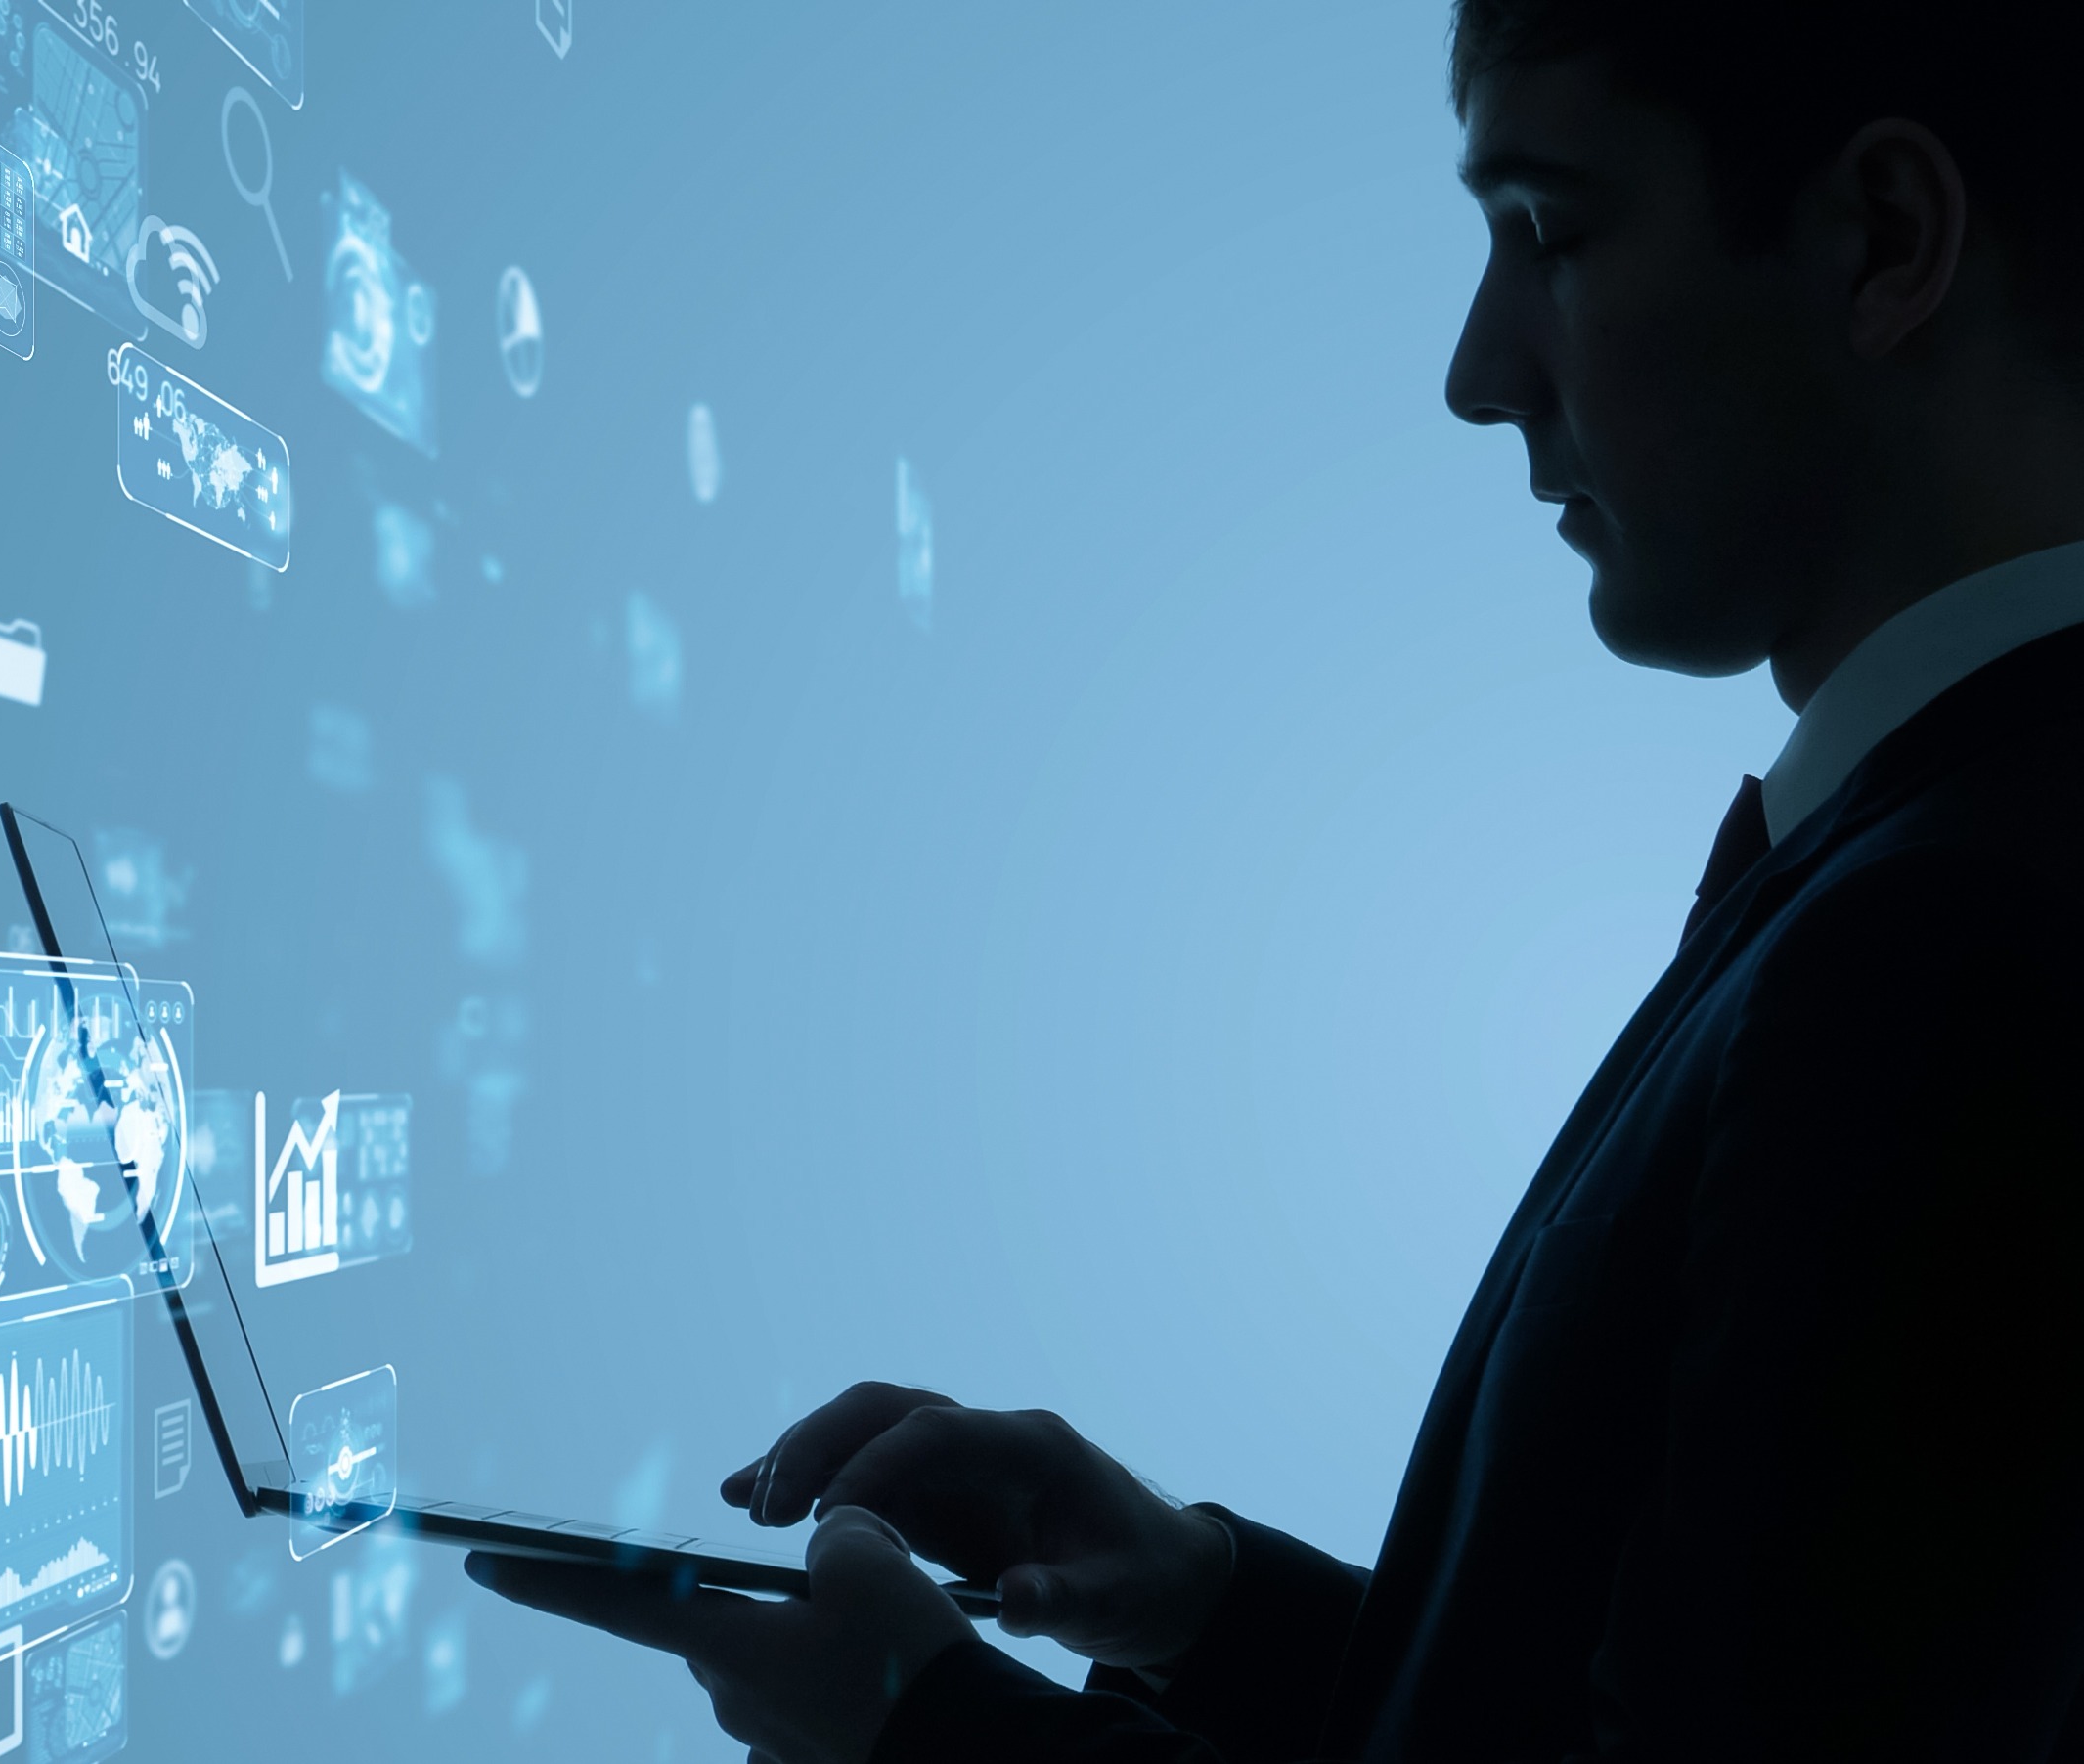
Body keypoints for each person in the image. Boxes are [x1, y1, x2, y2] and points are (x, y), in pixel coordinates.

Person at [466, 2, 2084, 1756]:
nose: (1476, 370)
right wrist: (1202, 1607)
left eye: (1548, 230)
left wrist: (921, 1729)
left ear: (1883, 243)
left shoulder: (1950, 941)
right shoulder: (1932, 873)